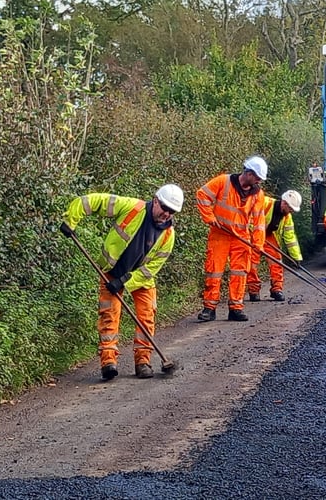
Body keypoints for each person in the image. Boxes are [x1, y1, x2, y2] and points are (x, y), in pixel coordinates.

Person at [59, 184, 184, 381]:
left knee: (146, 317)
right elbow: (92, 201)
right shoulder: (131, 208)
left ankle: (143, 362)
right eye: (165, 208)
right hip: (111, 271)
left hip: (139, 279)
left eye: (172, 212)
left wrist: (125, 282)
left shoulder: (169, 236)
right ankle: (108, 363)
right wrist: (71, 220)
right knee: (109, 315)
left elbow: (151, 268)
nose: (167, 214)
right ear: (156, 200)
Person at [196, 156, 267, 322]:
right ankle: (209, 308)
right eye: (257, 177)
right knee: (214, 271)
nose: (258, 181)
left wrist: (258, 243)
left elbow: (259, 222)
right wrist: (209, 217)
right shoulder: (223, 181)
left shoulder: (258, 194)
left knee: (239, 272)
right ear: (248, 173)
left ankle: (236, 307)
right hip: (219, 234)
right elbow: (202, 195)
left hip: (241, 237)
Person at [246, 190, 303, 302]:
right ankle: (254, 291)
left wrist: (296, 258)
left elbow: (290, 238)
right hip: (254, 234)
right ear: (284, 203)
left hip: (269, 236)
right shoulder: (264, 203)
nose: (291, 211)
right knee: (252, 262)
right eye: (290, 208)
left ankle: (277, 289)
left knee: (277, 260)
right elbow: (249, 218)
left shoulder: (287, 217)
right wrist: (254, 234)